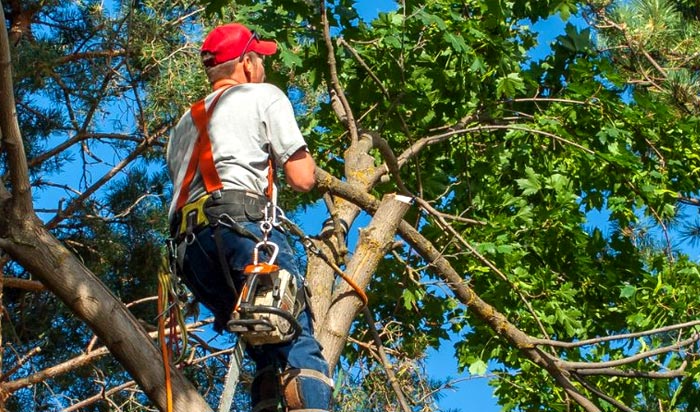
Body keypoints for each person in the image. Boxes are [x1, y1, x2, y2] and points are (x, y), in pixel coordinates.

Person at [166, 22, 333, 412]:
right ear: (245, 63)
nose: (263, 69)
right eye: (260, 59)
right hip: (243, 229)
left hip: (191, 252)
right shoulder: (262, 96)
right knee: (297, 342)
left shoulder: (181, 127)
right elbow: (303, 177)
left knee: (263, 349)